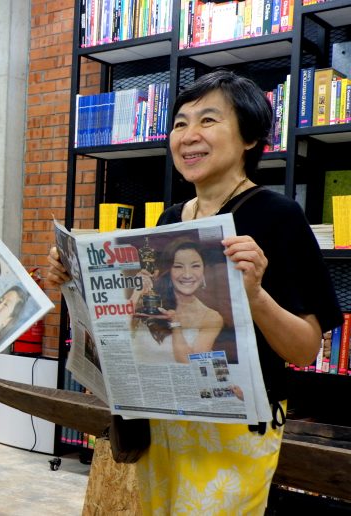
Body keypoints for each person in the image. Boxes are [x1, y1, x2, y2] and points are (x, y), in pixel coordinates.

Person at [47, 70, 341, 514]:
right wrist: (75, 280)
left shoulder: (278, 216)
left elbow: (303, 349)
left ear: (249, 137)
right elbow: (142, 322)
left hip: (236, 429)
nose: (188, 136)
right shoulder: (169, 220)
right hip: (164, 419)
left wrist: (255, 296)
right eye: (180, 123)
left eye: (208, 120)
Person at [128, 238, 224, 364]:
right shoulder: (148, 300)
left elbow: (192, 364)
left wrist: (176, 324)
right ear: (169, 270)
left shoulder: (211, 317)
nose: (187, 275)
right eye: (178, 266)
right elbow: (118, 333)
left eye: (195, 266)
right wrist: (136, 293)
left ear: (203, 270)